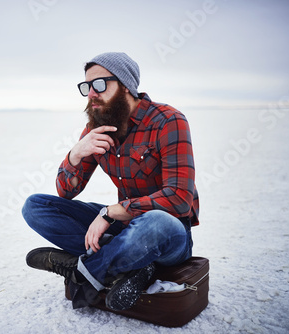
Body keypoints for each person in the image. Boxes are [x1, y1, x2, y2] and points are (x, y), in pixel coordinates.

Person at [22, 52, 199, 311]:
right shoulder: (97, 128)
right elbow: (65, 192)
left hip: (169, 234)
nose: (91, 93)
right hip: (124, 229)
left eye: (100, 84)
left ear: (126, 85)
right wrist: (75, 154)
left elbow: (179, 200)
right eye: (86, 86)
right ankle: (132, 265)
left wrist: (111, 213)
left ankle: (82, 271)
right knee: (35, 206)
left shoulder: (168, 121)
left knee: (156, 221)